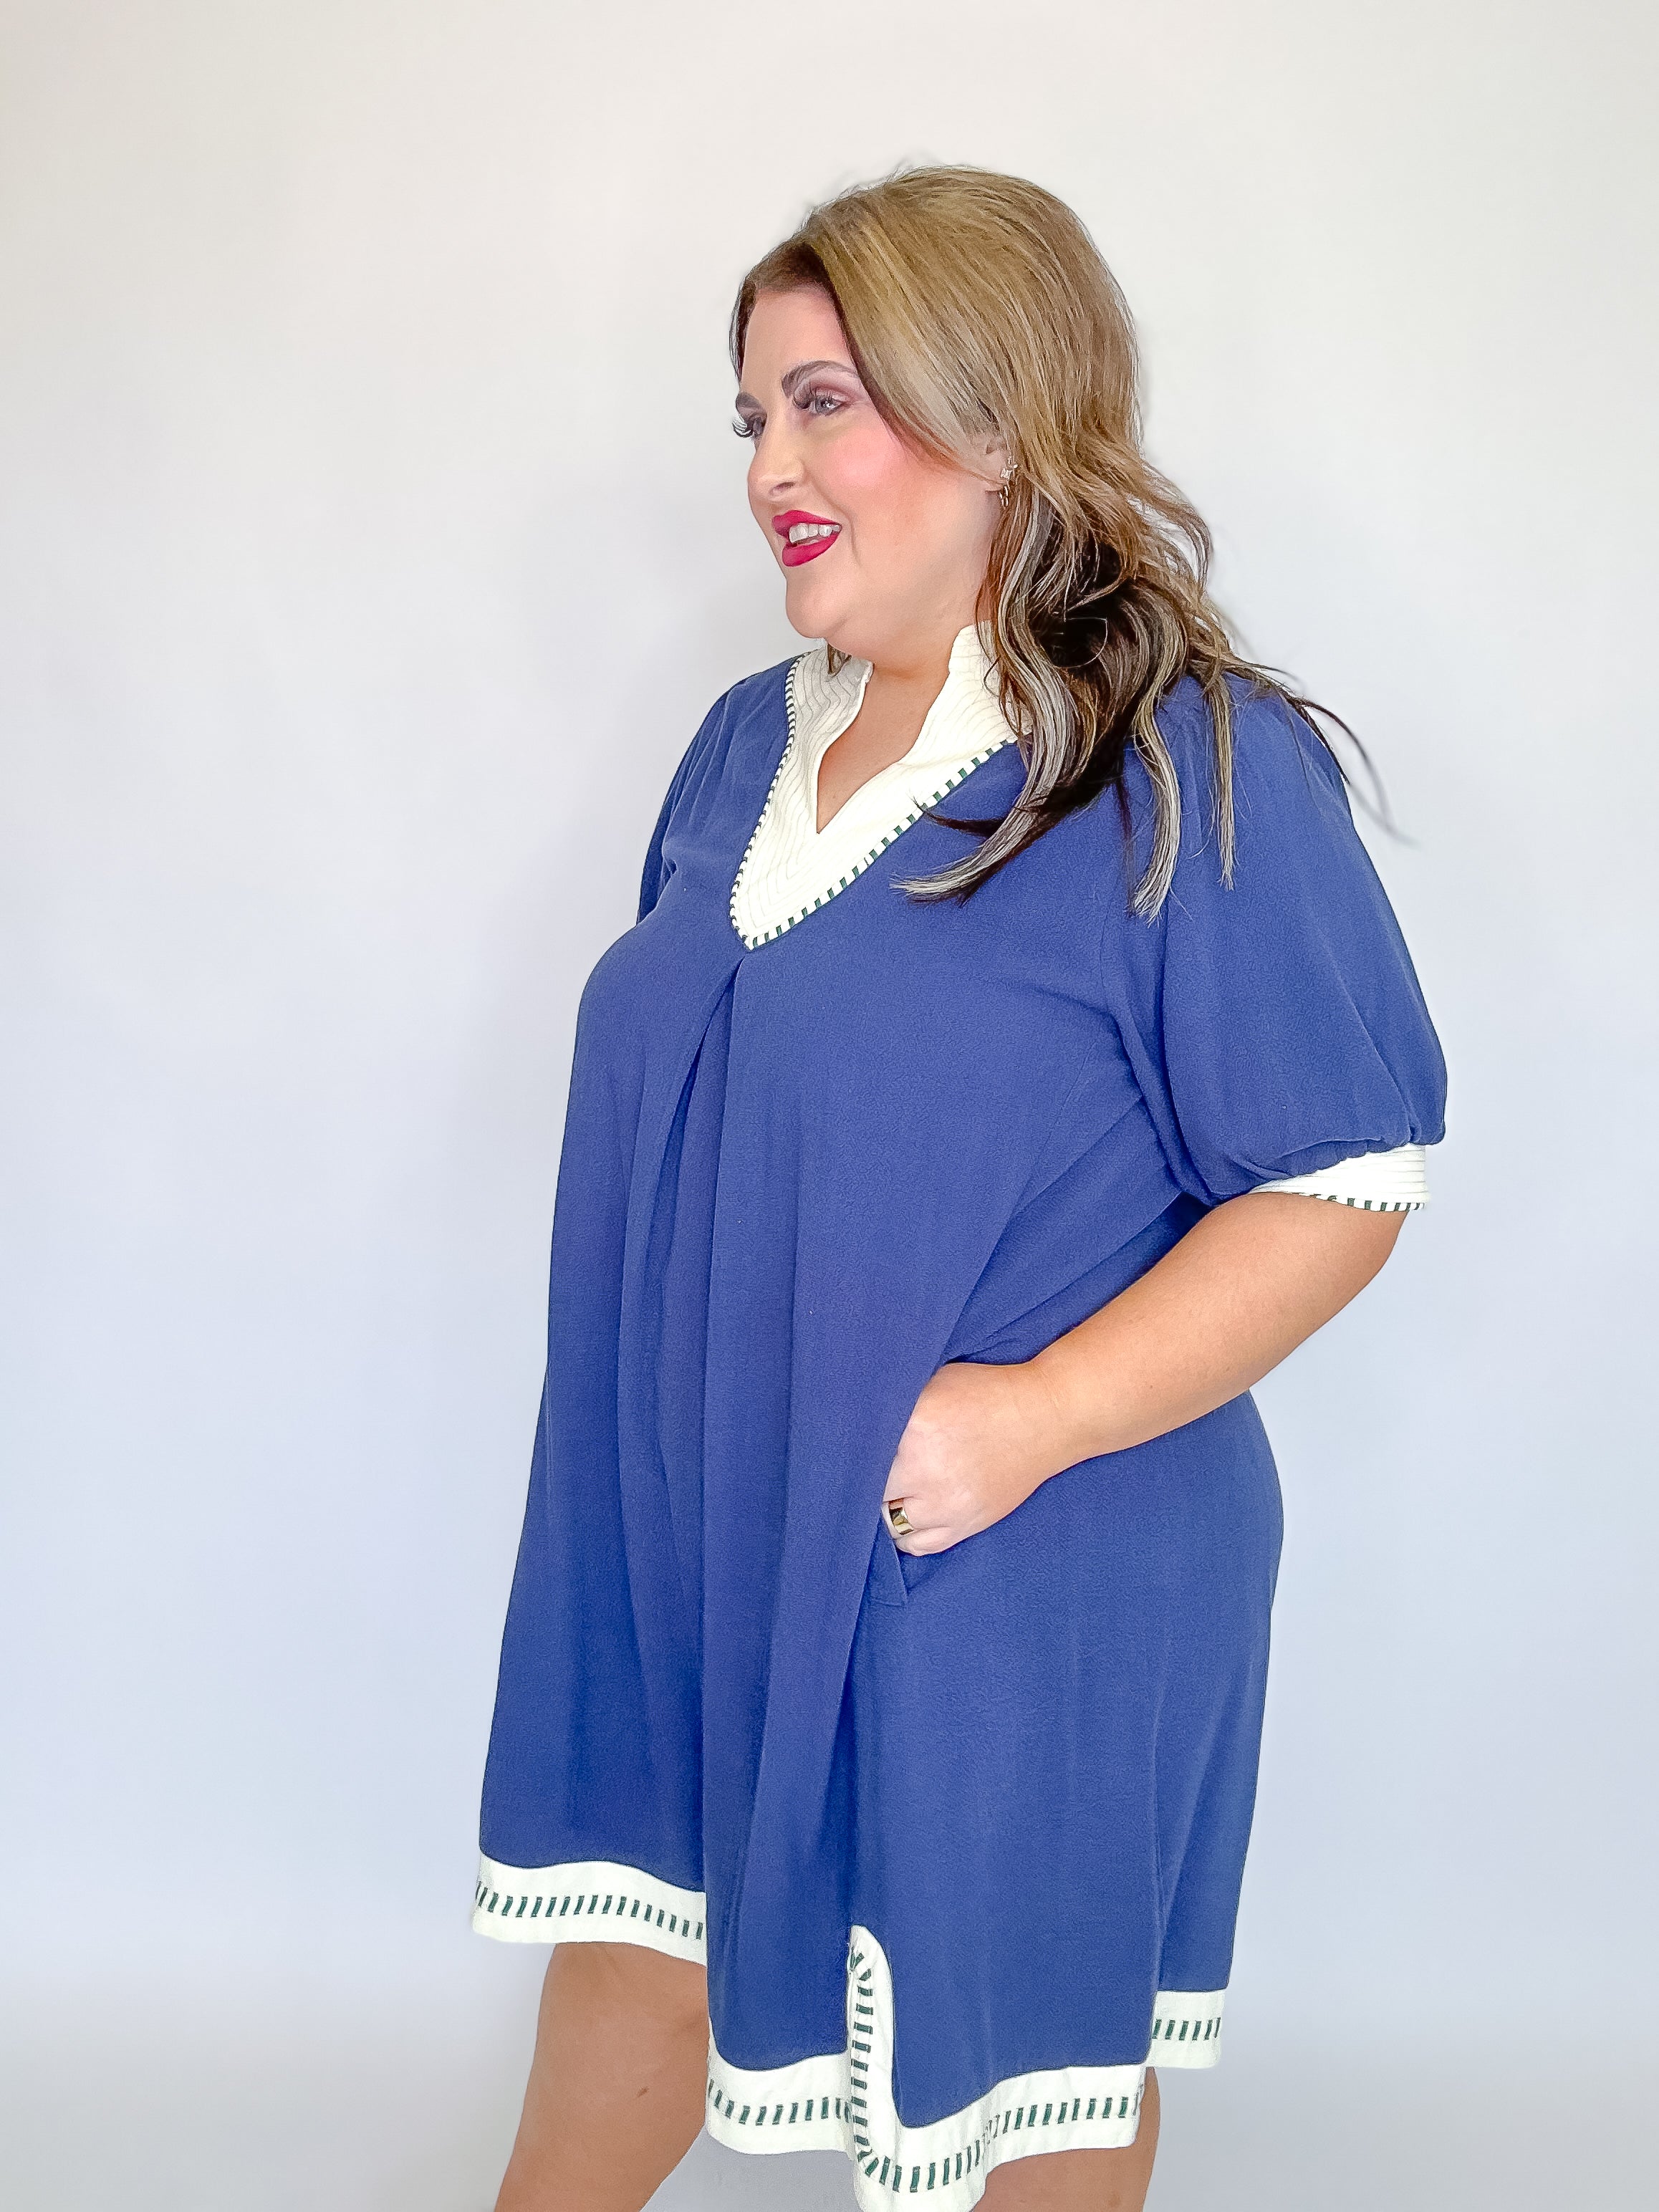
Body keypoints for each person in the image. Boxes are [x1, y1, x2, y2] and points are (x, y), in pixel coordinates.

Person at [472, 165, 1447, 2212]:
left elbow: (1341, 1180)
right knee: (631, 1975)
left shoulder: (1179, 762)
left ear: (998, 415)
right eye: (754, 416)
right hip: (693, 1540)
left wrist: (1029, 1419)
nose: (771, 468)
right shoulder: (741, 750)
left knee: (1017, 2079)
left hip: (1012, 1558)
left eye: (825, 403)